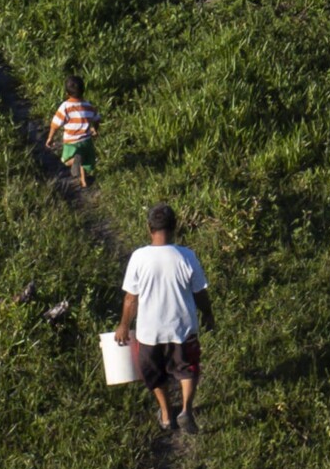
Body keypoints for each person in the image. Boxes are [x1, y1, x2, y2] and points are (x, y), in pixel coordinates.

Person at [116, 203, 212, 434]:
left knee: (154, 374)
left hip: (150, 333)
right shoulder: (187, 256)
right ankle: (186, 410)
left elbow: (131, 298)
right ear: (175, 228)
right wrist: (208, 314)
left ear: (150, 228)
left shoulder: (139, 257)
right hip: (183, 329)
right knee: (188, 369)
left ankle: (167, 414)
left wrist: (123, 325)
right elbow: (200, 292)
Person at [45, 75, 100, 189]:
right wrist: (95, 129)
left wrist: (50, 138)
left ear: (66, 93)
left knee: (66, 161)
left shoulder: (65, 106)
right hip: (86, 140)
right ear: (83, 91)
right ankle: (84, 182)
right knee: (84, 161)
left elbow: (55, 124)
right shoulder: (88, 106)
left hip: (71, 141)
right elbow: (97, 119)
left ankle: (75, 160)